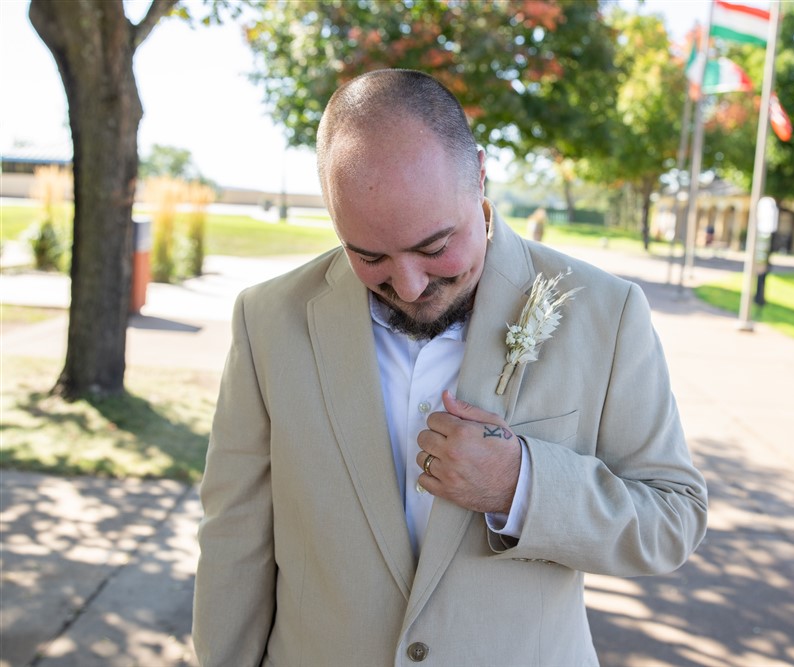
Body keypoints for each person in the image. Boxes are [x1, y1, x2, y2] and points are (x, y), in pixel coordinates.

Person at [193, 69, 707, 667]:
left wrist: (521, 486)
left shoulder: (608, 313)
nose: (409, 285)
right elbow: (234, 542)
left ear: (481, 175)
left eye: (435, 247)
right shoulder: (267, 321)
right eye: (369, 255)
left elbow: (672, 519)